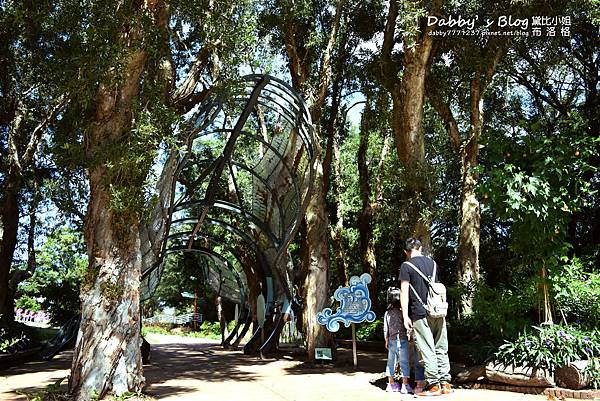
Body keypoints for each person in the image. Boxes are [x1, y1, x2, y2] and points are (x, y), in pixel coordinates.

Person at [399, 237, 452, 396]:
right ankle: (446, 384)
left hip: (420, 314)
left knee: (427, 350)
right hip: (438, 312)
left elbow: (404, 292)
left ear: (406, 252)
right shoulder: (434, 264)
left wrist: (405, 316)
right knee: (441, 349)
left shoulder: (406, 265)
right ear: (421, 248)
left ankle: (434, 386)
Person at [383, 289, 426, 394]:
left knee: (391, 362)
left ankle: (391, 384)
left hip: (392, 340)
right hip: (403, 340)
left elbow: (385, 328)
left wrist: (386, 339)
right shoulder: (404, 313)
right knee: (404, 362)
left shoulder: (387, 313)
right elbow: (409, 327)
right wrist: (410, 336)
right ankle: (405, 385)